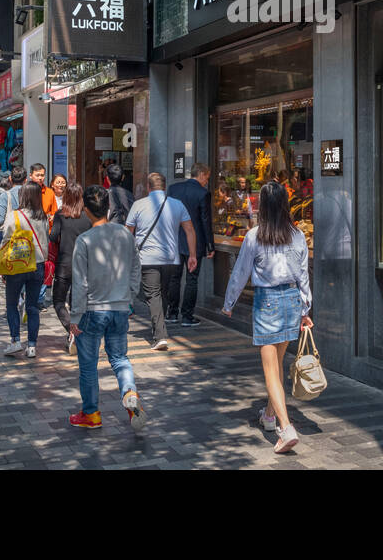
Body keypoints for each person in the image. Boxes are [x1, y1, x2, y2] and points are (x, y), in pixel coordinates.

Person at [222, 181, 312, 454]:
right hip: (292, 301)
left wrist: (229, 303)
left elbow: (240, 273)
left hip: (268, 303)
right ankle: (270, 416)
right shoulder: (296, 235)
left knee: (271, 369)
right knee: (278, 364)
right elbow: (303, 274)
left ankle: (286, 429)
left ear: (262, 205)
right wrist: (306, 308)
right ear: (285, 204)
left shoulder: (255, 236)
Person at [68, 185, 146, 431]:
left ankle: (91, 414)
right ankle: (129, 392)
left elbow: (79, 283)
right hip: (120, 307)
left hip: (92, 310)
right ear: (109, 208)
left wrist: (75, 316)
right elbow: (136, 267)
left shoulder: (84, 240)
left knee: (89, 366)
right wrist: (130, 294)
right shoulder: (125, 234)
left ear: (86, 211)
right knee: (120, 358)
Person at [126, 172, 196, 351]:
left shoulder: (138, 205)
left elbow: (128, 233)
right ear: (164, 187)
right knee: (161, 293)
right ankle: (159, 327)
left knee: (153, 295)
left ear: (148, 187)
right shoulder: (177, 205)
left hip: (147, 258)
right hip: (171, 258)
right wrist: (193, 255)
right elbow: (189, 230)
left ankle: (160, 336)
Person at [1, 181, 51, 358]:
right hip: (38, 265)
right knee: (32, 306)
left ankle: (15, 340)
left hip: (17, 264)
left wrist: (2, 268)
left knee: (11, 304)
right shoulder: (42, 217)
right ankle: (32, 346)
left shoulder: (15, 215)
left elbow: (6, 240)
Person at [167, 164, 214, 328]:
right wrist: (210, 245)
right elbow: (205, 221)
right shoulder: (203, 193)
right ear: (201, 174)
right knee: (192, 280)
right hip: (196, 241)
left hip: (175, 240)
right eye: (207, 177)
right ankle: (187, 316)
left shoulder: (173, 189)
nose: (206, 181)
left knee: (175, 277)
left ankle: (171, 313)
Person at [49, 181, 89, 355]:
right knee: (77, 303)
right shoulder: (88, 216)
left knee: (58, 301)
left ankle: (71, 331)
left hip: (64, 263)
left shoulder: (60, 215)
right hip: (84, 265)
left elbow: (52, 237)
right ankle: (76, 331)